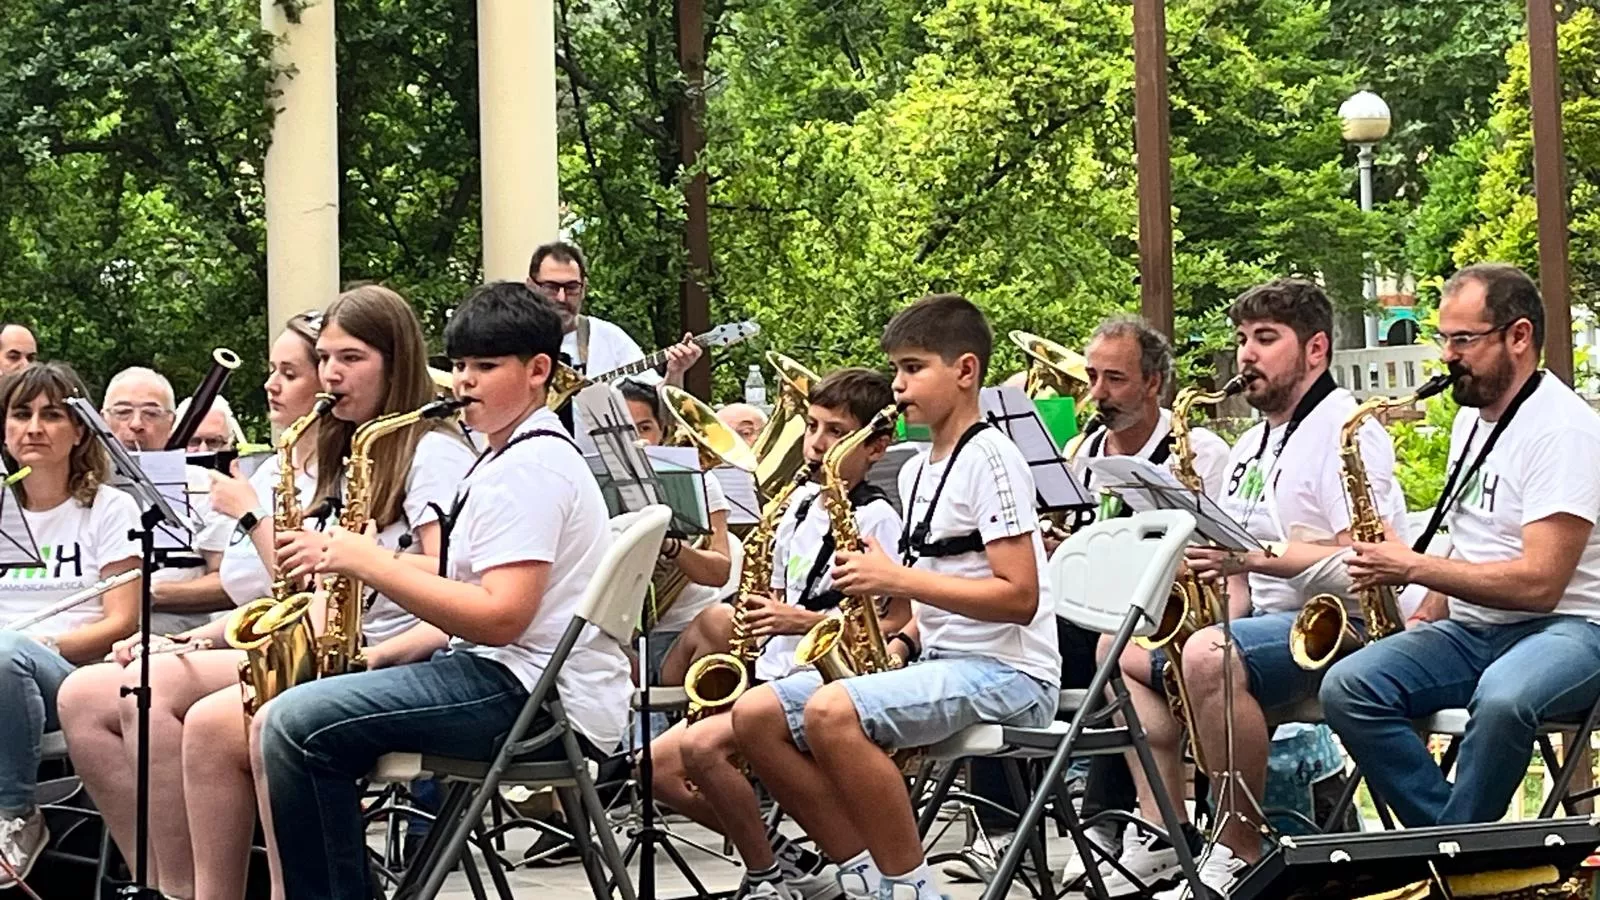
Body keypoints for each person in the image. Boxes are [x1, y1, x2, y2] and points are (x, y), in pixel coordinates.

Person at [62, 289, 475, 900]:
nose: (332, 375)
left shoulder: (427, 454)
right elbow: (307, 593)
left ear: (395, 361)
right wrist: (205, 634)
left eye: (348, 359)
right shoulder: (354, 450)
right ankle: (178, 886)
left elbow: (440, 583)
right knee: (126, 688)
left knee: (202, 717)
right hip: (328, 644)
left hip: (385, 658)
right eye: (327, 359)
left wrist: (258, 518)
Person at [257, 281, 629, 900]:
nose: (464, 383)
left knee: (295, 724)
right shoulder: (505, 457)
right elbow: (474, 593)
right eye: (458, 366)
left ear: (539, 371)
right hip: (517, 681)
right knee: (296, 717)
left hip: (526, 693)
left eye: (486, 367)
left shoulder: (529, 469)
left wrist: (368, 562)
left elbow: (501, 617)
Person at [734, 293, 1060, 900]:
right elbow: (932, 592)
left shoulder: (992, 458)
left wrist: (894, 580)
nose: (898, 385)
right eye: (896, 370)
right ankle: (859, 871)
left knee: (833, 712)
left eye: (913, 368)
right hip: (942, 660)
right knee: (756, 715)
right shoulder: (914, 469)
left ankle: (909, 888)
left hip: (1011, 674)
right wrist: (903, 639)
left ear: (965, 371)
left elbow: (1019, 598)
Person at [1114, 279, 1406, 899]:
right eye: (1243, 339)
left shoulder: (1345, 431)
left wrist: (1253, 560)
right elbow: (1237, 567)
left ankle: (1235, 849)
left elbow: (1365, 559)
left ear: (1317, 351)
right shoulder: (1252, 443)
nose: (1247, 354)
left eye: (1266, 339)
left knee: (1207, 656)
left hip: (1347, 627)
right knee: (1125, 655)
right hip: (1267, 627)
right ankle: (1162, 829)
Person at [959, 315, 1231, 892]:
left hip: (1158, 615)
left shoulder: (1198, 450)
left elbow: (1214, 546)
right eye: (1092, 378)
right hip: (1085, 610)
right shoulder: (1079, 450)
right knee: (999, 637)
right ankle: (1005, 829)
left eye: (1115, 380)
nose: (1097, 394)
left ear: (1154, 384)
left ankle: (1107, 825)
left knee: (1095, 651)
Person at [1322, 264, 1600, 826]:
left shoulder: (1562, 431)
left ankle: (1453, 859)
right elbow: (1473, 539)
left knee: (1502, 700)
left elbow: (1541, 584)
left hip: (1574, 627)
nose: (1447, 356)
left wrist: (1413, 567)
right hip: (1475, 629)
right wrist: (1427, 613)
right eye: (1444, 338)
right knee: (1349, 686)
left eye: (1464, 340)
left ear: (1518, 336)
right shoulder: (1471, 421)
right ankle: (1460, 851)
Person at [652, 368, 906, 900]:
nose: (815, 444)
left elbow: (894, 623)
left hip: (830, 683)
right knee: (653, 767)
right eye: (812, 427)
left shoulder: (879, 518)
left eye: (835, 432)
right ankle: (791, 864)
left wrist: (804, 621)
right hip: (772, 675)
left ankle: (770, 878)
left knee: (700, 748)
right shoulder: (793, 505)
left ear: (877, 447)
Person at [0, 363, 142, 885]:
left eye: (51, 415)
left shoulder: (110, 508)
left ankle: (16, 813)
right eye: (21, 414)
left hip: (70, 676)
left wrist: (39, 642)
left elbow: (122, 620)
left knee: (4, 652)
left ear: (79, 430)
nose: (33, 427)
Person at [101, 368, 234, 634]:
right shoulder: (80, 487)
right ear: (102, 419)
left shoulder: (206, 486)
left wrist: (147, 595)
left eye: (151, 413)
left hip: (176, 639)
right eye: (123, 412)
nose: (136, 424)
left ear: (172, 424)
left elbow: (230, 583)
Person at [526, 241, 702, 382]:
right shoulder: (511, 339)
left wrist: (675, 374)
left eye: (572, 287)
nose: (562, 298)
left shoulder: (609, 339)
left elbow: (655, 409)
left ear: (584, 288)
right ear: (531, 286)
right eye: (551, 287)